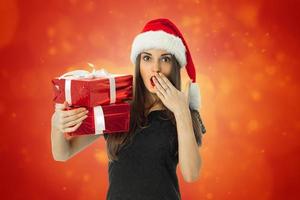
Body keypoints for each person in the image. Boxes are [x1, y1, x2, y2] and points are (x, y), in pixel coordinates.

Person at [51, 18, 206, 200]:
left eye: (165, 59)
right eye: (147, 58)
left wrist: (181, 111)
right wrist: (56, 122)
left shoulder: (182, 113)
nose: (155, 68)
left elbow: (191, 174)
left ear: (174, 66)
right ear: (139, 64)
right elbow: (63, 153)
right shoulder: (117, 106)